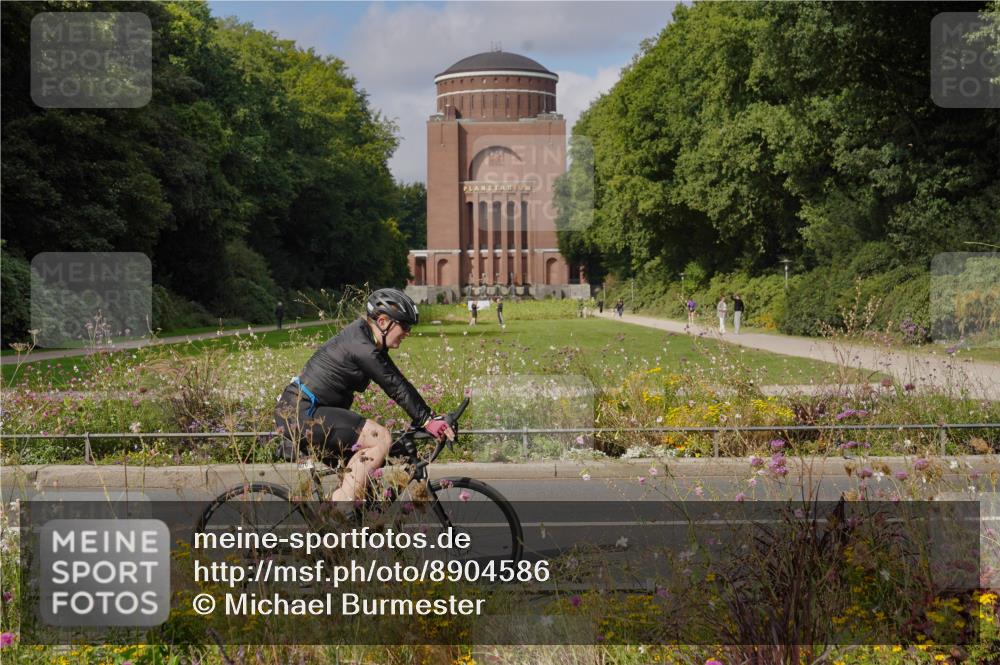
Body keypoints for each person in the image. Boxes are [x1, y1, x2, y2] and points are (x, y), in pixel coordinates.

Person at [274, 288, 455, 503]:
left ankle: (342, 525)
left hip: (307, 413)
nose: (408, 332)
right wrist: (427, 420)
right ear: (383, 321)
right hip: (303, 414)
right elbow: (393, 384)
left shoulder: (366, 340)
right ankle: (338, 510)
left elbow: (397, 380)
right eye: (405, 325)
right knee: (380, 438)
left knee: (367, 489)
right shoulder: (361, 346)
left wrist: (428, 417)